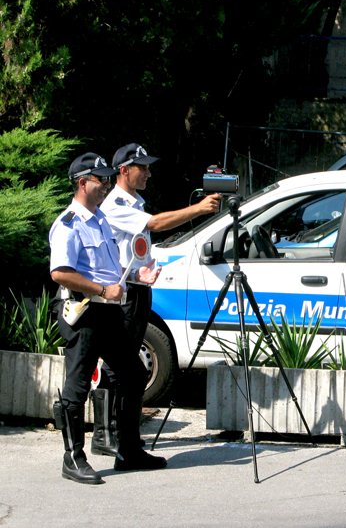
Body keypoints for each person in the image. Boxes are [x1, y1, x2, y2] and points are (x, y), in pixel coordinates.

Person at [91, 143, 219, 456]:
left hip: (137, 289)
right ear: (124, 171)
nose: (148, 173)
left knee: (126, 364)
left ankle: (122, 434)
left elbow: (137, 245)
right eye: (142, 167)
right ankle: (103, 436)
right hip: (122, 294)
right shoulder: (115, 204)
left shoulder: (135, 202)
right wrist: (199, 209)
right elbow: (156, 224)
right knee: (116, 364)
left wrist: (146, 268)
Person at [49, 152, 166, 484]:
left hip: (109, 310)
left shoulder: (100, 218)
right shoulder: (69, 223)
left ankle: (129, 451)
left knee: (132, 374)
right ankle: (73, 458)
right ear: (83, 183)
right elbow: (60, 273)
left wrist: (137, 277)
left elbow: (111, 266)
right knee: (78, 383)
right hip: (84, 309)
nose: (105, 185)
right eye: (100, 179)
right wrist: (102, 288)